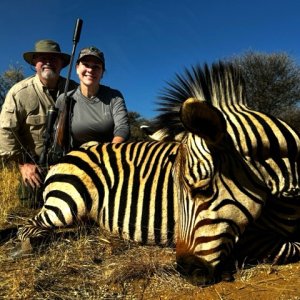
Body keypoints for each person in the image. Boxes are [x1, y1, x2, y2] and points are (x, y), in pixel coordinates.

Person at [0, 39, 78, 207]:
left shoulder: (75, 90)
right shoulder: (19, 93)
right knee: (31, 204)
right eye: (43, 58)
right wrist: (23, 165)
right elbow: (6, 131)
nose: (49, 62)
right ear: (35, 62)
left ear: (62, 64)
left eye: (54, 58)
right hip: (36, 166)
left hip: (71, 164)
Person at [55, 46, 130, 149]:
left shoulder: (114, 97)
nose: (90, 70)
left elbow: (122, 128)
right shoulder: (64, 99)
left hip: (108, 157)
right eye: (86, 65)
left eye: (96, 67)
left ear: (102, 72)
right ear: (77, 68)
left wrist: (108, 153)